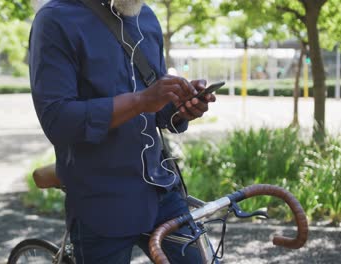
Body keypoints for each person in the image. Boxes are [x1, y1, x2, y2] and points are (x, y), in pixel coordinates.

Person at [29, 0, 216, 263]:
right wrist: (140, 101)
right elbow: (58, 120)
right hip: (100, 202)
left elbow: (158, 109)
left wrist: (182, 107)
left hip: (161, 192)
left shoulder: (147, 17)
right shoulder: (55, 19)